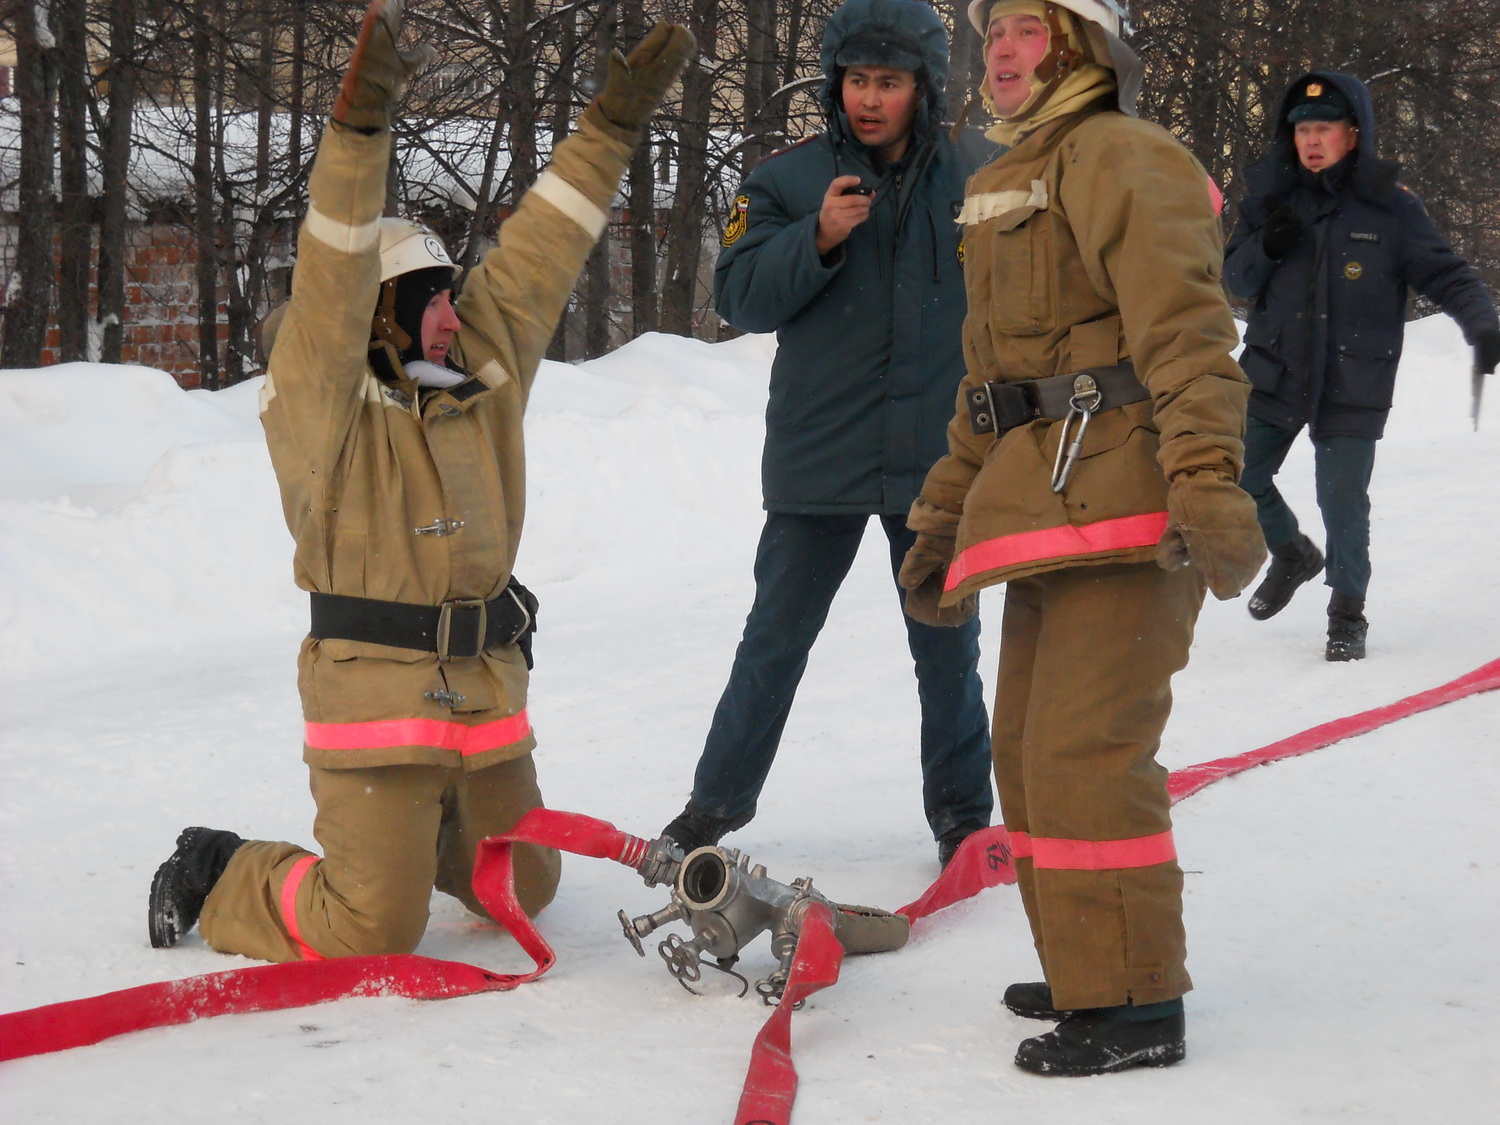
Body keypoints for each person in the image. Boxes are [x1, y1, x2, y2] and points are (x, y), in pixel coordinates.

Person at [146, 0, 692, 962]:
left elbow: (542, 248)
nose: (451, 314)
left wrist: (610, 128)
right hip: (375, 699)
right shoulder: (323, 406)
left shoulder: (481, 377)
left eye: (450, 294)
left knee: (525, 885)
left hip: (483, 692)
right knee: (374, 927)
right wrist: (359, 134)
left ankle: (423, 829)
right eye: (428, 299)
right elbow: (331, 271)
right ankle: (221, 869)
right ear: (381, 316)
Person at [899, 0, 1265, 1075]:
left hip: (1136, 503)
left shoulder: (1128, 156)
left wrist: (1207, 478)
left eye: (1025, 28)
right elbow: (991, 389)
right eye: (992, 33)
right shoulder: (1001, 182)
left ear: (1082, 47)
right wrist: (941, 512)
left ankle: (1139, 1003)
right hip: (1042, 505)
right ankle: (1084, 960)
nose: (999, 50)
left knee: (1086, 752)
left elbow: (1189, 333)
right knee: (1025, 749)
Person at [657, 0, 996, 869]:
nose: (870, 99)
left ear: (922, 86)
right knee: (773, 639)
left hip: (938, 462)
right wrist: (816, 237)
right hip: (819, 459)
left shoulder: (982, 172)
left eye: (890, 82)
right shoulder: (786, 180)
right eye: (857, 81)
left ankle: (963, 818)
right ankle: (711, 809)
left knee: (947, 649)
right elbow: (737, 296)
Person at [1225, 72, 1500, 661]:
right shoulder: (1269, 197)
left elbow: (1447, 274)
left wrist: (1481, 322)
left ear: (1354, 134)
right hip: (1275, 369)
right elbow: (1232, 279)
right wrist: (1266, 245)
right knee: (1237, 476)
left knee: (1342, 500)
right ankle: (1293, 552)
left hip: (1354, 376)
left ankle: (1346, 612)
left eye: (1324, 127)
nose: (1312, 139)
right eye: (1302, 128)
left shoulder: (1394, 210)